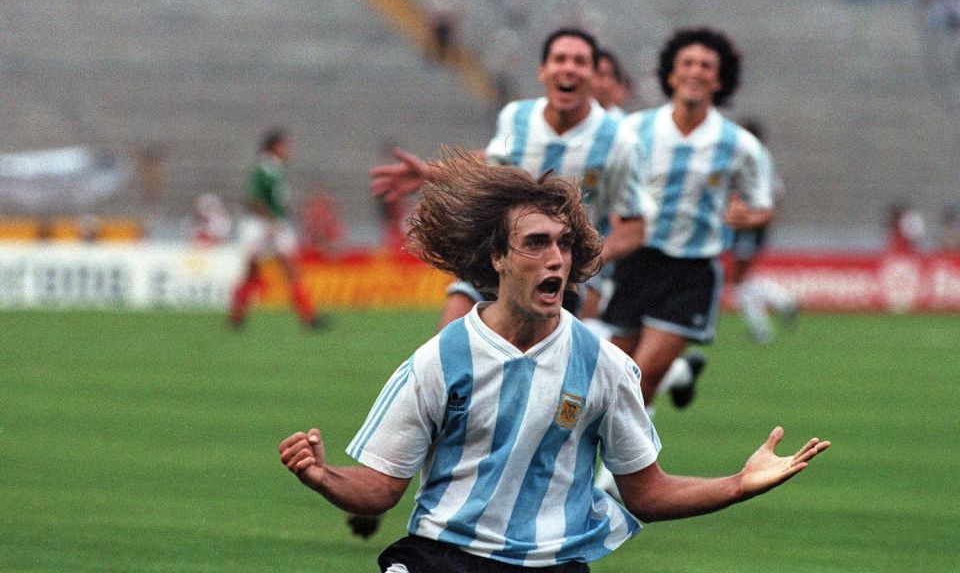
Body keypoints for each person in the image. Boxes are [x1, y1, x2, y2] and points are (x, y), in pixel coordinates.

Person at [279, 150, 831, 572]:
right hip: (442, 554)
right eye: (536, 243)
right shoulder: (439, 359)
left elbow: (646, 492)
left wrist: (738, 483)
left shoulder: (604, 365)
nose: (556, 259)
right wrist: (322, 476)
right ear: (497, 258)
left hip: (551, 564)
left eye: (564, 245)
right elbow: (380, 489)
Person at [370, 27, 649, 330]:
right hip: (502, 255)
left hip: (561, 275)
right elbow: (491, 164)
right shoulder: (516, 117)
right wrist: (430, 173)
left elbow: (634, 225)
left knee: (544, 365)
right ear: (543, 71)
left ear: (594, 76)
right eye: (560, 59)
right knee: (449, 344)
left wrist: (586, 260)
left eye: (579, 61)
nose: (568, 67)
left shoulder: (618, 140)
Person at [599, 28, 775, 412]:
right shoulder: (634, 130)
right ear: (671, 74)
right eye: (687, 63)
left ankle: (609, 476)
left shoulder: (740, 144)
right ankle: (678, 374)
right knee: (614, 381)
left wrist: (746, 216)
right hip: (635, 263)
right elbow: (605, 182)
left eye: (706, 66)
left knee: (637, 386)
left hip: (691, 273)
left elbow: (763, 204)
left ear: (719, 78)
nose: (696, 71)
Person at [228, 128, 329, 330]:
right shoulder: (263, 169)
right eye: (284, 145)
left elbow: (276, 200)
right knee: (253, 271)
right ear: (273, 146)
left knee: (290, 268)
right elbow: (253, 199)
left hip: (275, 224)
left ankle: (309, 317)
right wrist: (270, 221)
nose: (289, 149)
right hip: (260, 225)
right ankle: (237, 316)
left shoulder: (276, 169)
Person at [725, 119, 799, 345]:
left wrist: (756, 218)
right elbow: (777, 193)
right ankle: (772, 315)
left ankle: (778, 307)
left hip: (750, 222)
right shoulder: (764, 158)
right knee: (740, 278)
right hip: (754, 222)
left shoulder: (754, 158)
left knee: (738, 279)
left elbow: (770, 194)